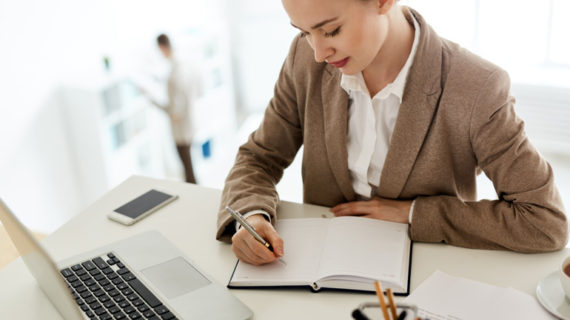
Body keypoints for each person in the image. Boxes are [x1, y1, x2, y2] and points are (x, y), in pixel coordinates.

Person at [216, 0, 568, 265]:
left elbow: (544, 221)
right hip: (318, 273)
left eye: (331, 30)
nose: (319, 53)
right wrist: (252, 215)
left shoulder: (475, 87)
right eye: (304, 33)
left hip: (429, 280)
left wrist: (414, 213)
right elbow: (259, 158)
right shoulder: (304, 59)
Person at [146, 33, 202, 183]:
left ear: (161, 47)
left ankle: (194, 198)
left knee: (188, 169)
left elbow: (175, 111)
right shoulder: (183, 65)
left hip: (181, 128)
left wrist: (151, 99)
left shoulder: (177, 71)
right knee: (189, 167)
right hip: (187, 124)